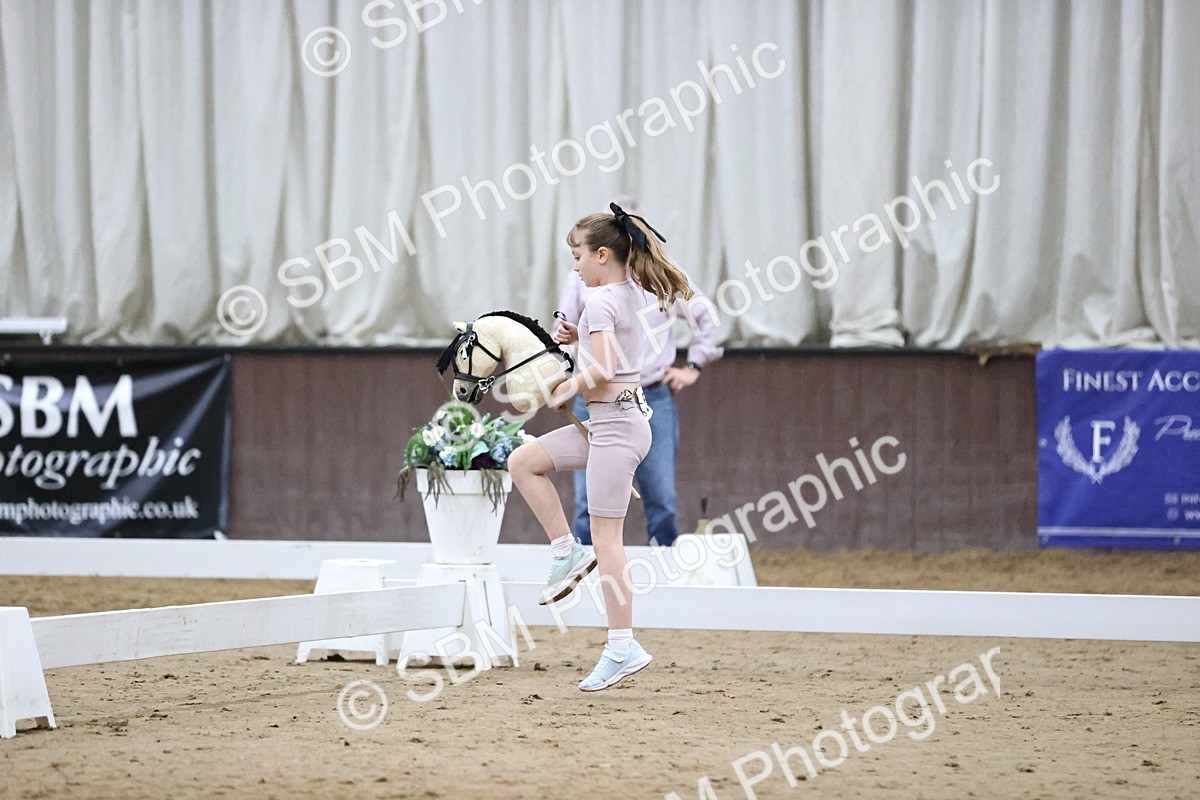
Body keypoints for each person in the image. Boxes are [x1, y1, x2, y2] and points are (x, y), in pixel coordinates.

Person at [507, 203, 692, 692]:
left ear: (602, 255)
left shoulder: (604, 300)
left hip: (615, 428)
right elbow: (609, 352)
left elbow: (606, 368)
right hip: (614, 424)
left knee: (609, 542)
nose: (575, 267)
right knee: (523, 462)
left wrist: (569, 386)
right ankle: (566, 550)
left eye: (577, 256)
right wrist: (576, 340)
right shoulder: (627, 293)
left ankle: (621, 645)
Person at [554, 204, 723, 547]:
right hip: (596, 400)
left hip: (649, 395)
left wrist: (692, 366)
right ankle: (588, 569)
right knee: (587, 503)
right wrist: (577, 337)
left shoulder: (659, 277)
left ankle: (662, 569)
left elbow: (708, 320)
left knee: (660, 496)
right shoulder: (584, 278)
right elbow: (566, 324)